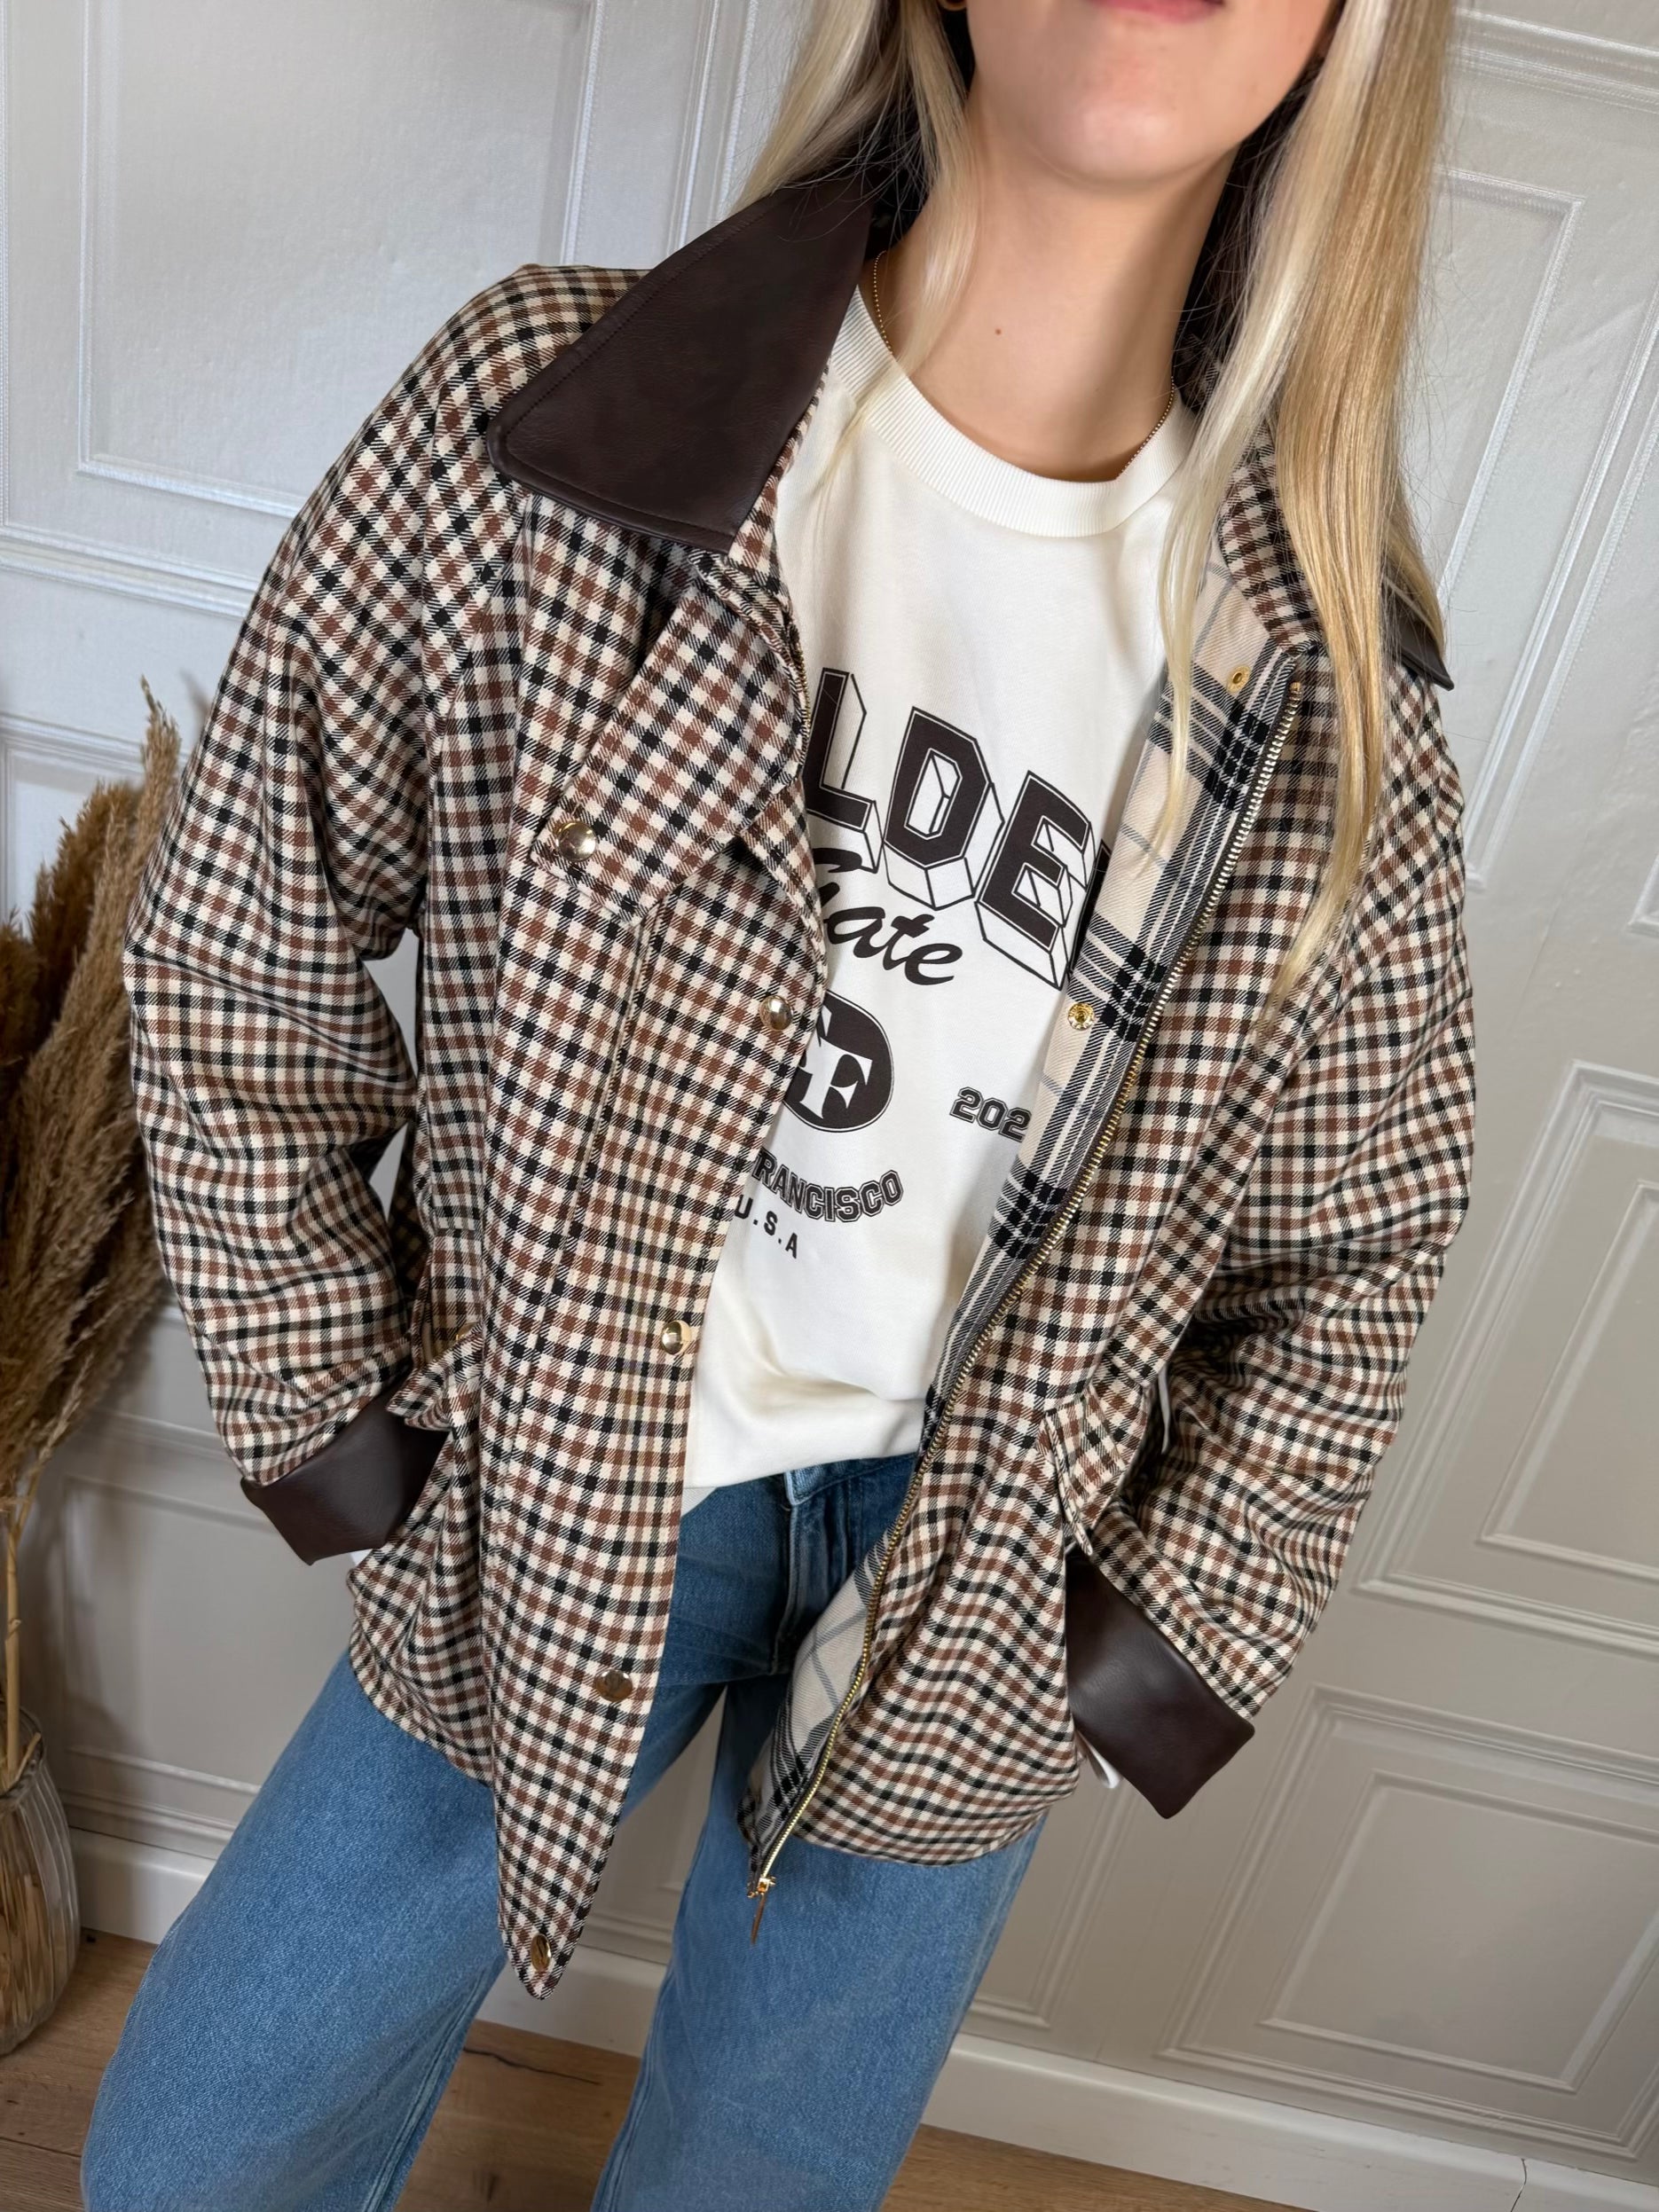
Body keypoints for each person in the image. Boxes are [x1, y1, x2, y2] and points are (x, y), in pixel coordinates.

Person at [82, 0, 1475, 2205]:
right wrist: (336, 1416)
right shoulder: (566, 416)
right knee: (199, 2149)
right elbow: (245, 921)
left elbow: (1359, 1229)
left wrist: (1142, 1638)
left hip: (975, 1557)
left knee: (764, 2176)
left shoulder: (1318, 688)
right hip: (561, 1459)